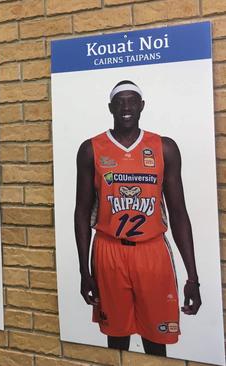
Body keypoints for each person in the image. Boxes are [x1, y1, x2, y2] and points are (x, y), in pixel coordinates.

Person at [74, 80, 201, 356]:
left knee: (156, 341)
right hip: (109, 251)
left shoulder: (164, 147)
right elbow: (81, 212)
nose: (126, 107)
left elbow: (179, 213)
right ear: (110, 107)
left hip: (152, 251)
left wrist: (193, 277)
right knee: (116, 340)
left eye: (132, 101)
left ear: (142, 106)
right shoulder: (90, 149)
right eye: (120, 101)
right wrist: (84, 271)